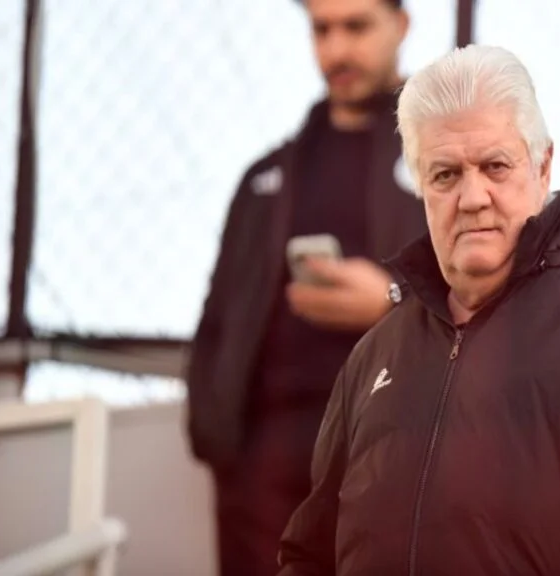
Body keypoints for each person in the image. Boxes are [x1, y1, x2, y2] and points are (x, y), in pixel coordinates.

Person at [277, 44, 560, 575]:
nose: (472, 197)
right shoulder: (374, 355)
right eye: (445, 175)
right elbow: (308, 552)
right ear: (422, 188)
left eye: (495, 166)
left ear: (542, 167)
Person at [183, 0, 427, 574]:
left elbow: (491, 299)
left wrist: (391, 300)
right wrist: (215, 438)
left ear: (401, 25)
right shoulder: (265, 176)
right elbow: (218, 318)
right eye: (322, 30)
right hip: (262, 467)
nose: (337, 50)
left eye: (356, 26)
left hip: (388, 454)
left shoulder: (442, 166)